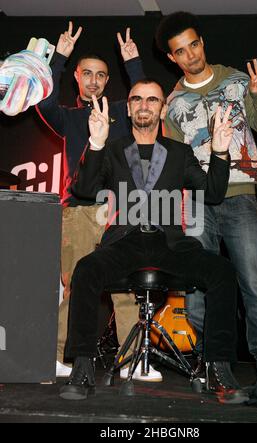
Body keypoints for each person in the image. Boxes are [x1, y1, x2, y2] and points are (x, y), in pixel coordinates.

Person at [59, 78, 249, 405]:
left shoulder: (179, 152)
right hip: (125, 239)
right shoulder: (113, 148)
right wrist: (96, 143)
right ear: (129, 107)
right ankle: (83, 367)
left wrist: (219, 152)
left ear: (162, 108)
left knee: (222, 271)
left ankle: (218, 369)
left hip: (170, 242)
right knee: (86, 269)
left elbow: (214, 194)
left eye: (152, 100)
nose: (144, 105)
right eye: (137, 99)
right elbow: (84, 190)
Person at [155, 11, 257, 369]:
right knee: (196, 292)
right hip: (195, 203)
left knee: (255, 286)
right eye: (181, 51)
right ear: (171, 58)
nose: (191, 55)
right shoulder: (173, 105)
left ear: (202, 42)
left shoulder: (239, 82)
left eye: (194, 45)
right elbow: (174, 165)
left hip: (239, 196)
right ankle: (214, 364)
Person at [37, 22, 144, 377]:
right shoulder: (67, 117)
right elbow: (43, 99)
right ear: (77, 79)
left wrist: (134, 65)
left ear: (107, 80)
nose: (94, 80)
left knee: (126, 288)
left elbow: (144, 101)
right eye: (87, 74)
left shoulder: (121, 113)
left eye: (100, 75)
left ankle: (132, 362)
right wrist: (60, 58)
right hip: (79, 212)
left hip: (117, 211)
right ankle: (57, 357)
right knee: (76, 286)